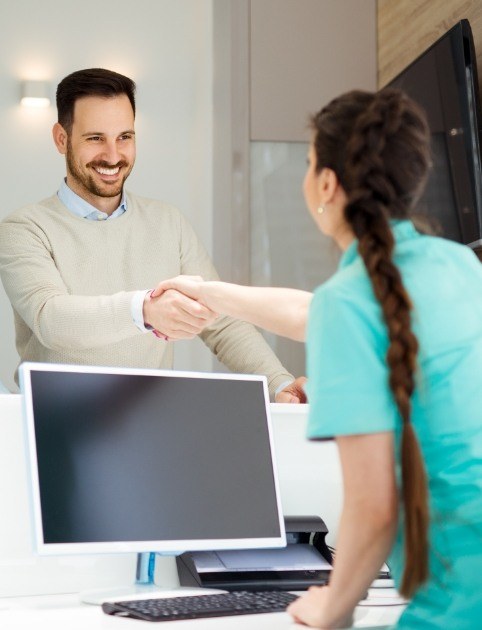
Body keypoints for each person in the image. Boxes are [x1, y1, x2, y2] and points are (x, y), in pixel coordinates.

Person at [154, 88, 482, 628]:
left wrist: (332, 603)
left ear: (326, 184)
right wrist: (210, 292)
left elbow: (374, 508)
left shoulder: (350, 301)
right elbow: (316, 313)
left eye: (309, 164)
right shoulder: (457, 265)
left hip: (457, 600)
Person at [0, 68, 305, 402]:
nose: (113, 156)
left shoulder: (168, 222)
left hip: (148, 424)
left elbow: (221, 321)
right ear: (61, 138)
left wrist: (279, 383)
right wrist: (144, 310)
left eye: (124, 137)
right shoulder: (25, 229)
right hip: (54, 425)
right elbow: (52, 320)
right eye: (95, 138)